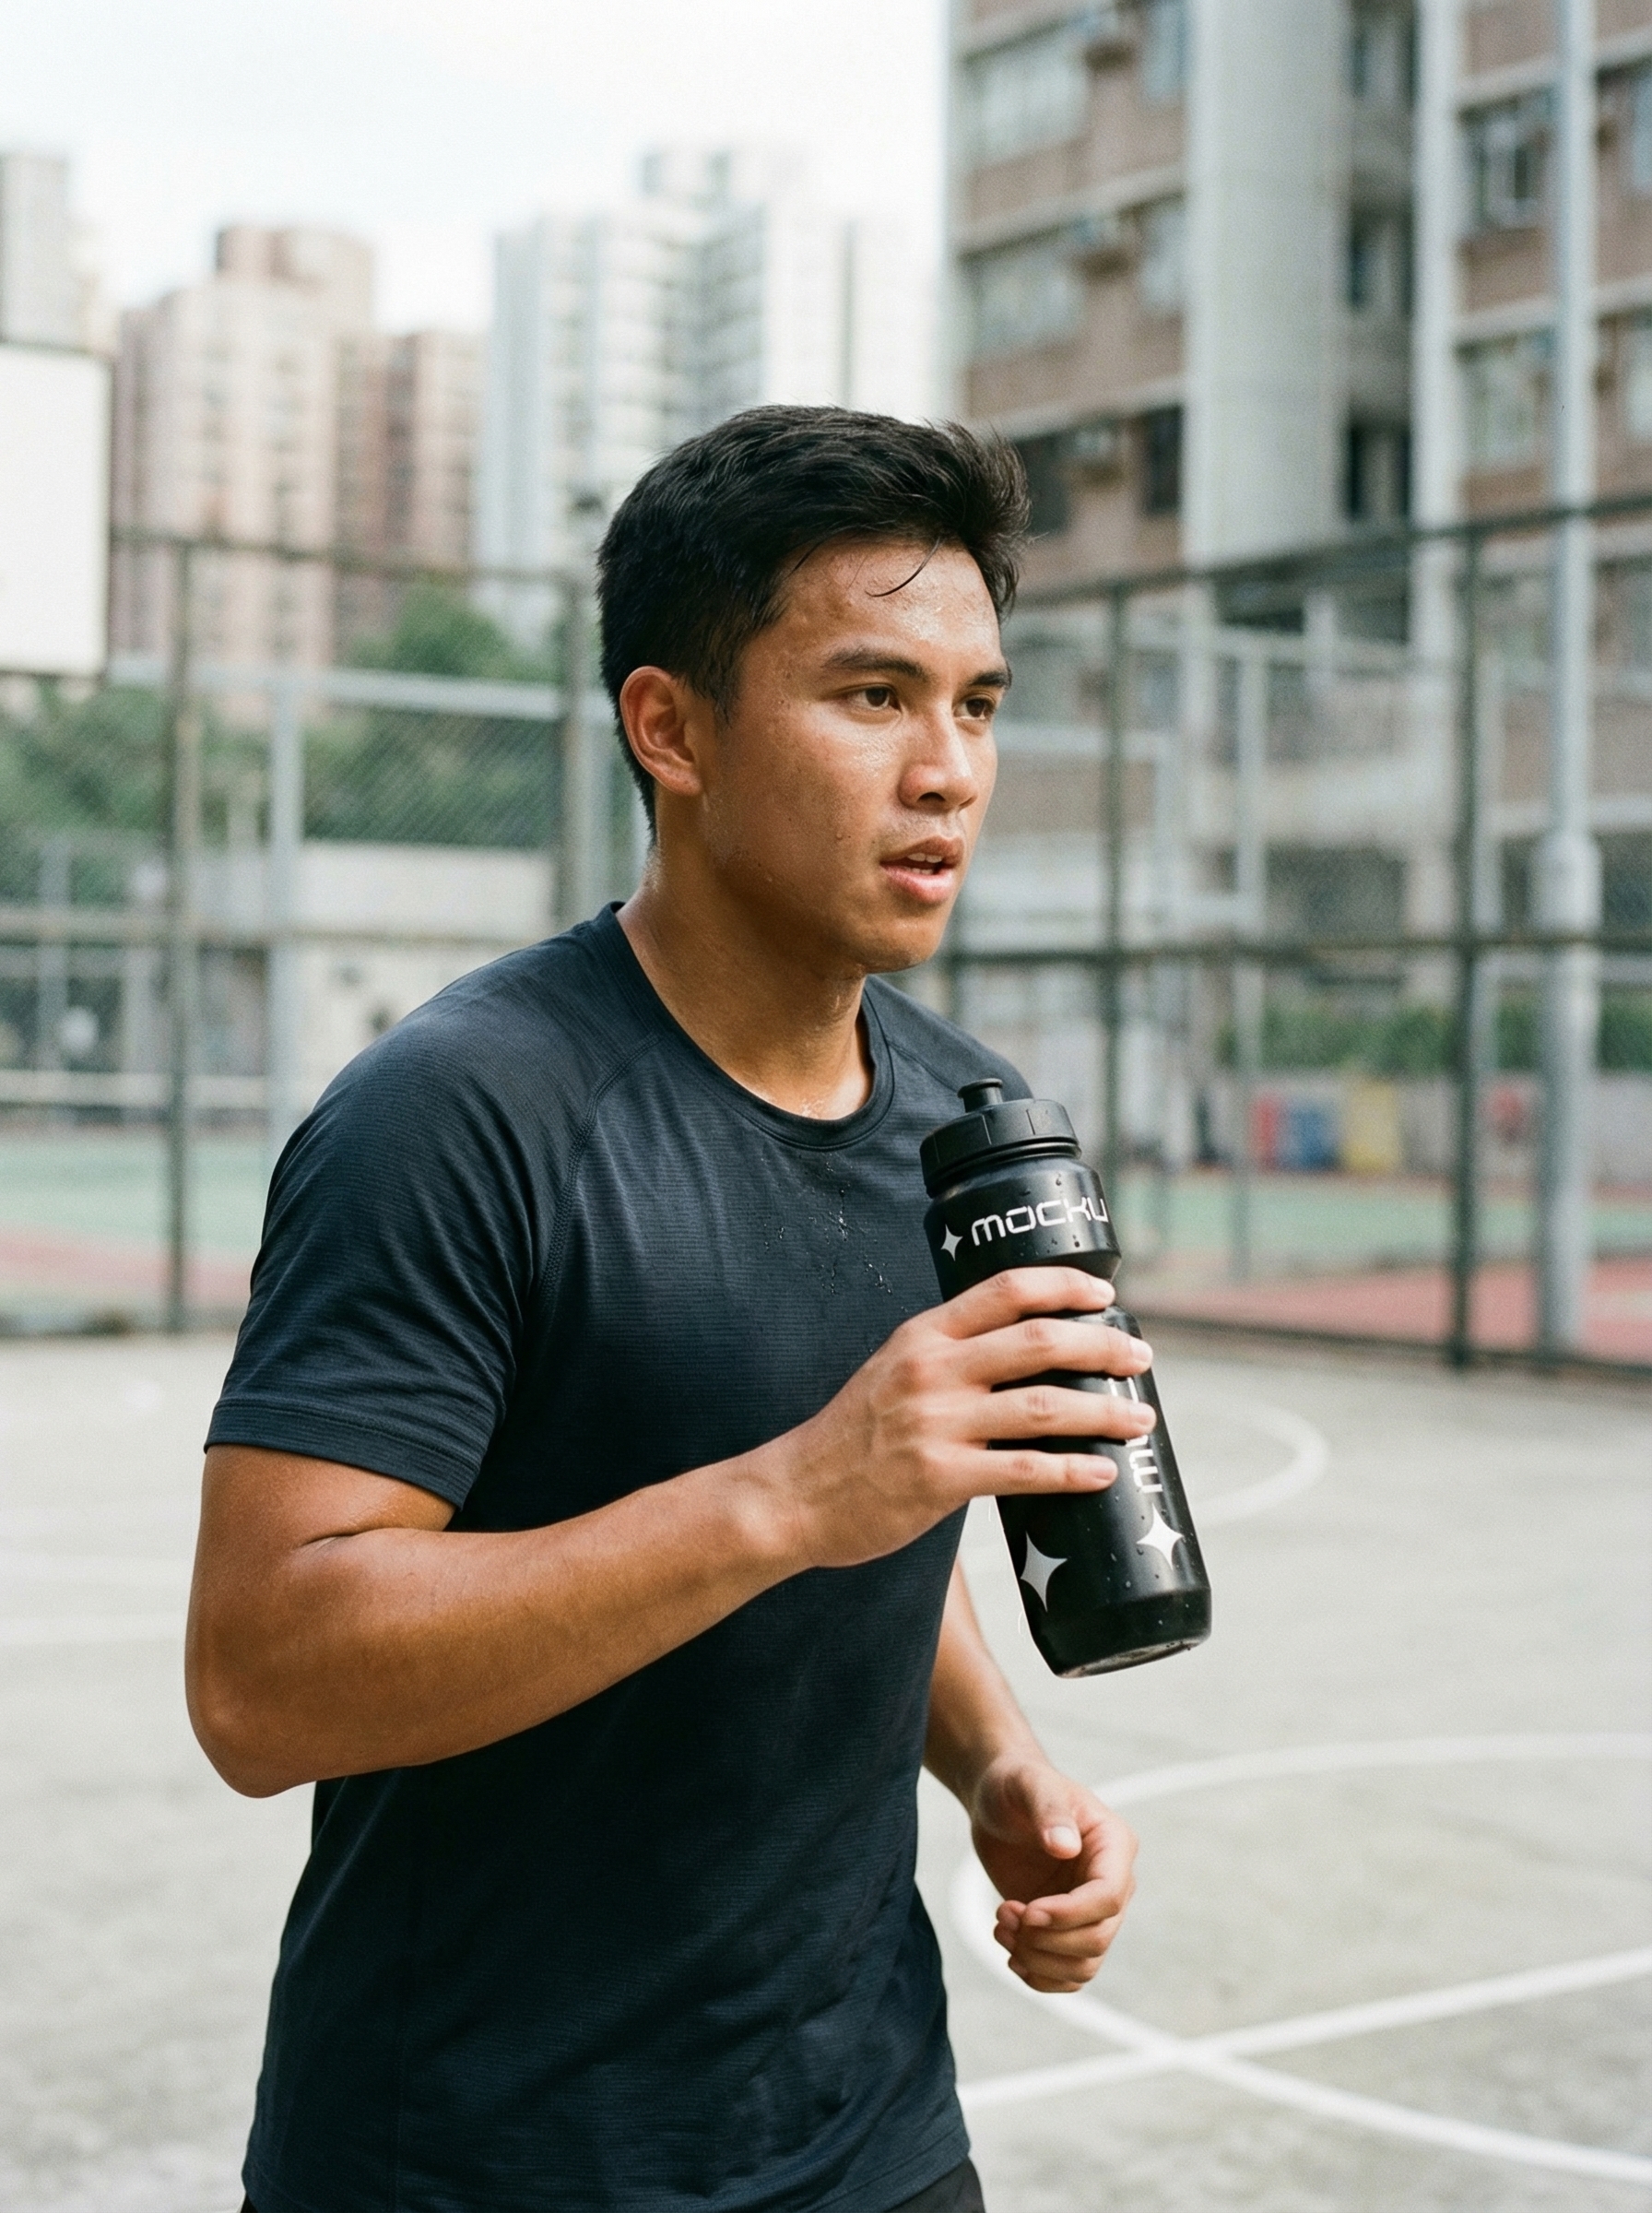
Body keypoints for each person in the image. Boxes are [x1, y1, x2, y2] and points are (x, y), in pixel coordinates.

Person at [187, 407, 1156, 2213]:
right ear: (670, 726)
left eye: (978, 704)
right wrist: (787, 1492)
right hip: (477, 2160)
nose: (945, 768)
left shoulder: (963, 1121)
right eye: (872, 696)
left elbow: (885, 1510)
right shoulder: (457, 1114)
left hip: (868, 2136)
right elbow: (259, 1679)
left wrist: (997, 1758)